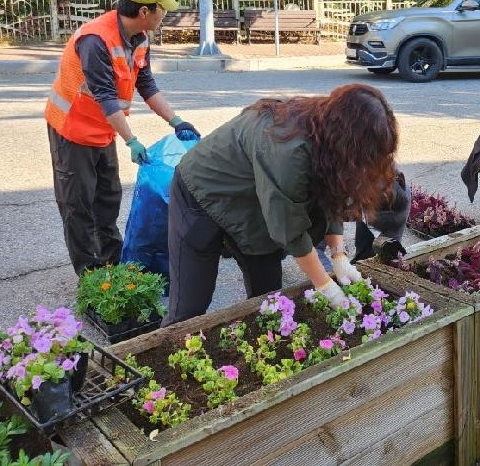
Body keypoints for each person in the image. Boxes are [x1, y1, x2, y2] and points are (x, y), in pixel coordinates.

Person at [163, 83, 398, 326]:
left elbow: (331, 193)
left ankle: (260, 348)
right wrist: (326, 286)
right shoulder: (290, 149)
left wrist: (339, 255)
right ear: (347, 140)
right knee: (189, 309)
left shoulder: (327, 134)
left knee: (269, 298)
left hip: (254, 201)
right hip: (202, 192)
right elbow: (290, 228)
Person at [45, 0, 200, 276]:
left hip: (103, 130)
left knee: (108, 197)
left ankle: (112, 264)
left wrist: (177, 121)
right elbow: (104, 96)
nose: (165, 15)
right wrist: (131, 139)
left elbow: (147, 86)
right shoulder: (95, 40)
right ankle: (90, 277)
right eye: (162, 9)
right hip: (72, 131)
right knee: (78, 205)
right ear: (145, 11)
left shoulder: (139, 39)